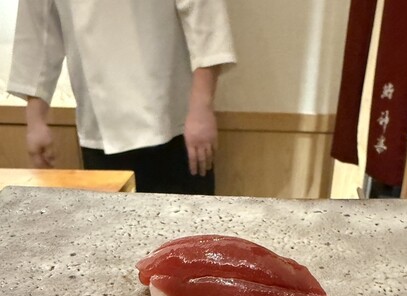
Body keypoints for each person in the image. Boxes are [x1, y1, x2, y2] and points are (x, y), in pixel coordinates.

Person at [7, 0, 236, 194]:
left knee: (187, 228)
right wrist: (35, 121)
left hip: (176, 125)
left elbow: (206, 19)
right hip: (99, 133)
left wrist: (201, 108)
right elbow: (37, 31)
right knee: (110, 228)